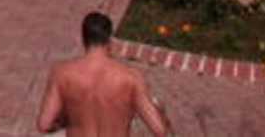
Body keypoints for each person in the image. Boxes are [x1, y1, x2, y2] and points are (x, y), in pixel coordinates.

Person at [36, 12, 168, 135]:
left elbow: (44, 124)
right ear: (109, 40)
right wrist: (160, 111)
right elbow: (159, 130)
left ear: (83, 39)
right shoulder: (131, 77)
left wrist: (66, 120)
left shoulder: (62, 73)